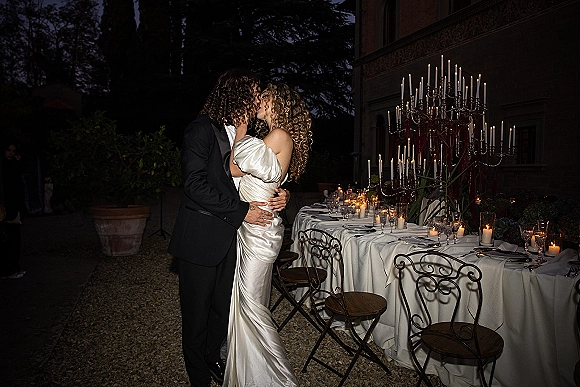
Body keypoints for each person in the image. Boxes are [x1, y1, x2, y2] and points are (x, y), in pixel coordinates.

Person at [168, 69, 289, 387]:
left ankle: (213, 358)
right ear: (235, 96)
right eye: (252, 95)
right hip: (201, 237)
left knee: (222, 309)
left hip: (233, 240)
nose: (256, 101)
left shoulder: (244, 136)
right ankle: (198, 379)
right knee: (196, 316)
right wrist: (242, 212)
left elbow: (259, 176)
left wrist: (279, 193)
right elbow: (194, 185)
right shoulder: (200, 129)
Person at [224, 82, 312, 386]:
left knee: (250, 301)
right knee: (251, 297)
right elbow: (267, 177)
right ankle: (246, 366)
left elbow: (235, 167)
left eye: (265, 97)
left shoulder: (277, 135)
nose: (259, 100)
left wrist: (241, 125)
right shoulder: (276, 138)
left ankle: (270, 375)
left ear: (278, 104)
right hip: (258, 225)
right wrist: (283, 193)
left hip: (259, 228)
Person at [0, 141, 26, 279]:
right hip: (6, 208)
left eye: (13, 151)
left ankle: (11, 268)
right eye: (9, 150)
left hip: (12, 207)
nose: (11, 153)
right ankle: (9, 269)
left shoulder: (12, 166)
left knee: (12, 238)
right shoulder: (5, 167)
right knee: (9, 239)